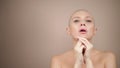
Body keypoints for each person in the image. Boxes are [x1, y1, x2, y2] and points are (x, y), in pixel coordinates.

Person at [51, 9, 116, 68]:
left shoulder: (108, 57)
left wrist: (88, 60)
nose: (82, 23)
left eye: (88, 20)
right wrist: (78, 63)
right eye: (76, 20)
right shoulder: (57, 60)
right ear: (68, 30)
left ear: (94, 30)